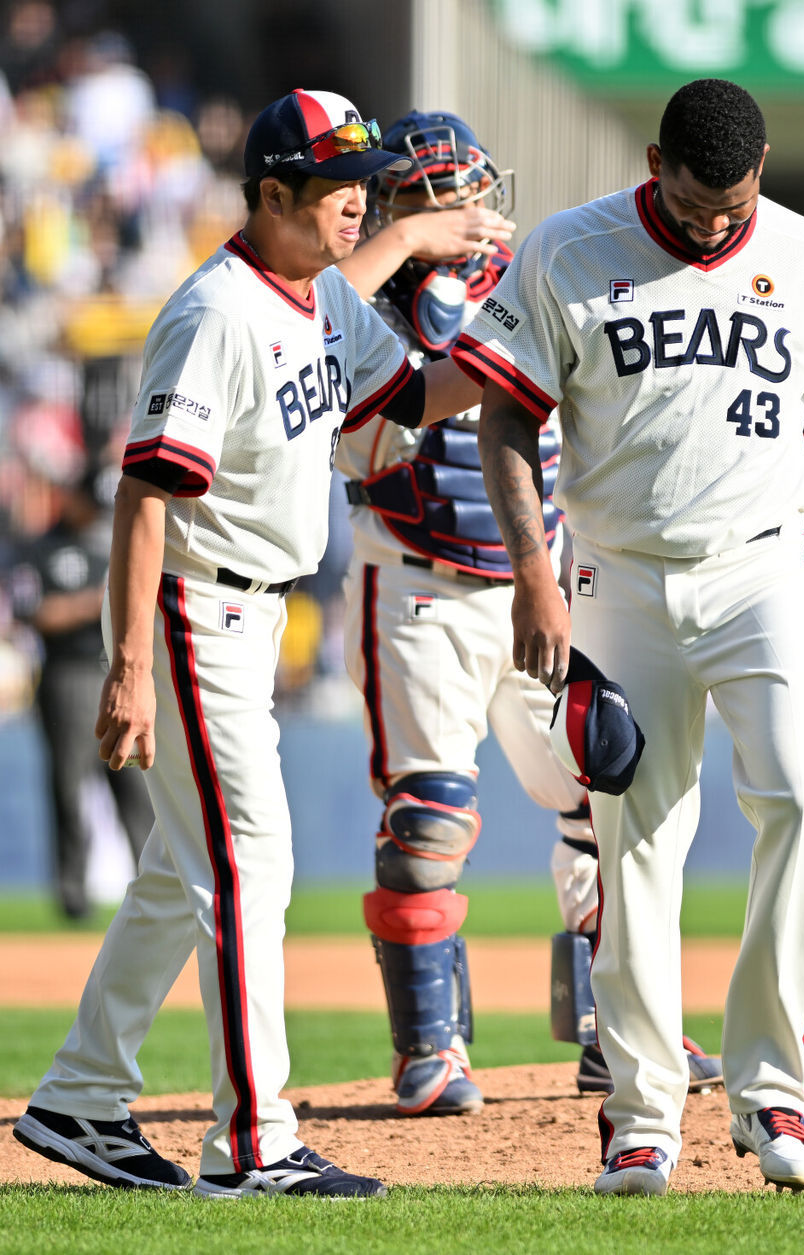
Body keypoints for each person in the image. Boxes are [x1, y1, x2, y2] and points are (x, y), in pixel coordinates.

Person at [454, 77, 804, 1196]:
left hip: (768, 569)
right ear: (651, 161)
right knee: (633, 840)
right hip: (618, 581)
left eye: (733, 201)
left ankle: (773, 1088)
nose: (714, 222)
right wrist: (535, 571)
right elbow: (503, 415)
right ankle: (640, 1115)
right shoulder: (569, 251)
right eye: (691, 200)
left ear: (762, 165)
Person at [13, 86, 487, 1201]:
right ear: (272, 192)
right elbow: (145, 494)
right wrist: (129, 664)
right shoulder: (216, 310)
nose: (359, 209)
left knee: (186, 872)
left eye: (369, 188)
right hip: (195, 606)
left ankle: (80, 1097)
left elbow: (413, 395)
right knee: (248, 868)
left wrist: (545, 356)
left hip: (255, 611)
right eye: (338, 191)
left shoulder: (320, 297)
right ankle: (253, 1143)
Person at [334, 109, 721, 1115]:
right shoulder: (357, 294)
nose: (457, 211)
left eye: (462, 190)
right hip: (416, 581)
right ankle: (431, 1049)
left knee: (608, 791)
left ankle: (615, 1028)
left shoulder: (536, 271)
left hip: (539, 581)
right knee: (427, 823)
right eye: (427, 196)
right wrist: (406, 251)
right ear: (392, 209)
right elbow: (316, 336)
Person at [9, 464, 153, 919]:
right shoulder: (40, 548)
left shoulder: (109, 542)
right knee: (69, 787)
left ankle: (156, 889)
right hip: (67, 675)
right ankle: (72, 896)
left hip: (113, 668)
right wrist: (92, 603)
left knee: (133, 784)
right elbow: (33, 613)